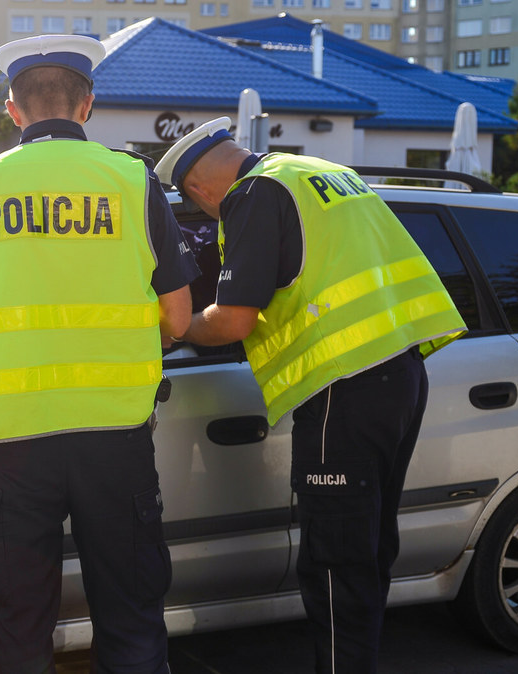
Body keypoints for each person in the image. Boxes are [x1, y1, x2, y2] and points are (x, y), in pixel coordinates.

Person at [0, 34, 198, 674]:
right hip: (113, 434)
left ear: (13, 110)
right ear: (86, 105)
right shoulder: (130, 181)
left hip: (10, 439)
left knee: (17, 622)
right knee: (131, 613)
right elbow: (177, 316)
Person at [155, 117, 467, 673]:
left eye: (196, 201)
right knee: (367, 552)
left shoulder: (254, 195)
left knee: (334, 565)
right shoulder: (324, 172)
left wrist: (175, 327)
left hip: (340, 391)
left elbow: (231, 321)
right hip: (400, 374)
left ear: (198, 187)